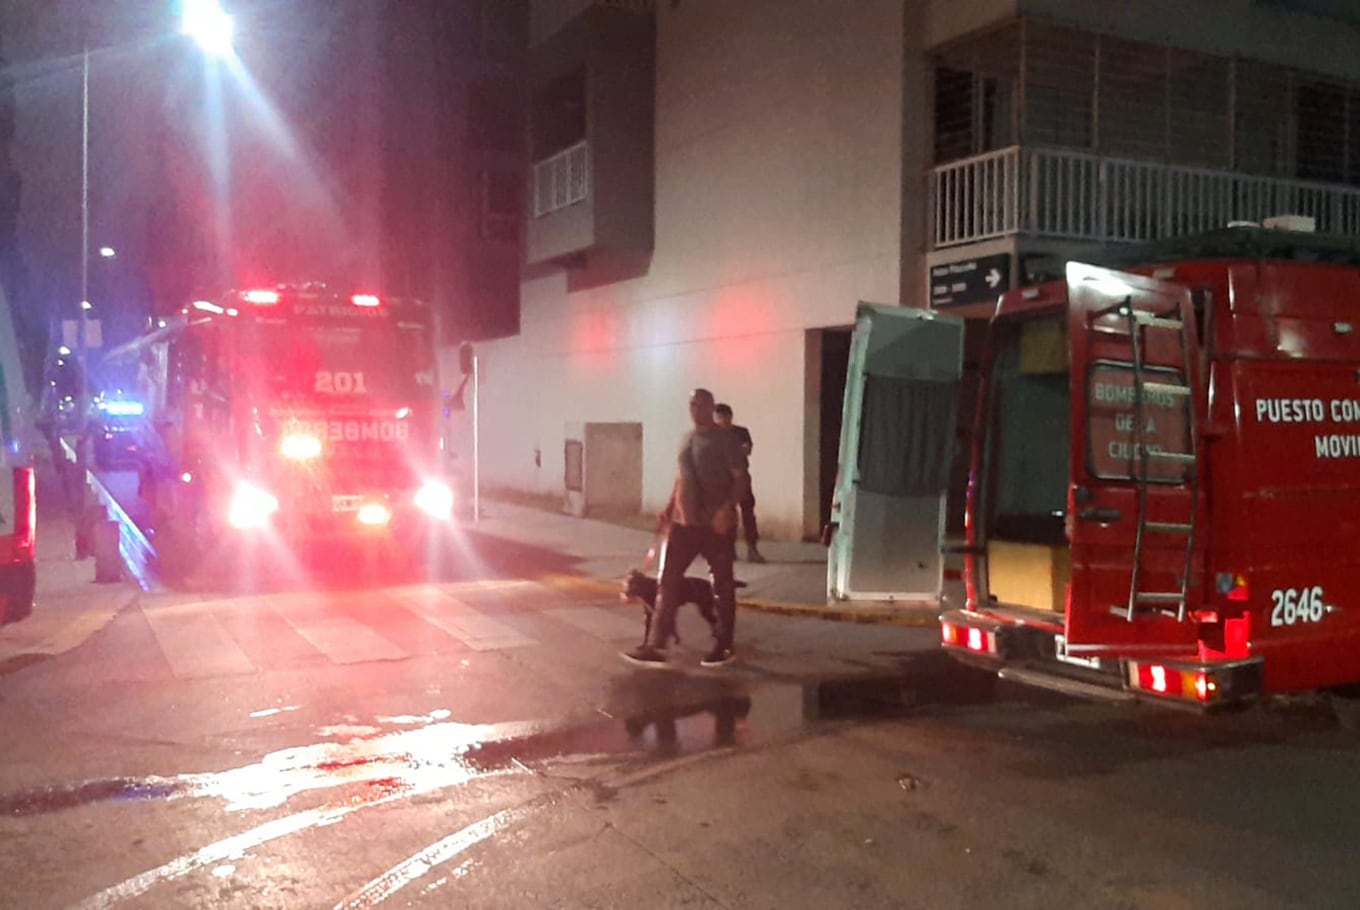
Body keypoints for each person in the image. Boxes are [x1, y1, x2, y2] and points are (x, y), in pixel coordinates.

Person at [623, 388, 749, 669]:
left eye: (701, 404)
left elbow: (741, 480)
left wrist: (727, 508)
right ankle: (657, 643)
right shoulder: (687, 439)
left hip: (715, 525)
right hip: (684, 524)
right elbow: (682, 478)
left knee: (722, 584)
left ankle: (724, 644)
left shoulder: (725, 440)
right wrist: (669, 510)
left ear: (711, 407)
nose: (695, 409)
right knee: (668, 580)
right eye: (692, 404)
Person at [714, 403, 766, 563]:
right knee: (728, 514)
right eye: (719, 418)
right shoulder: (714, 435)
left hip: (741, 477)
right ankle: (729, 550)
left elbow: (747, 449)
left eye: (724, 417)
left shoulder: (740, 432)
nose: (722, 421)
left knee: (748, 513)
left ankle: (752, 548)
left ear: (729, 417)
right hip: (722, 480)